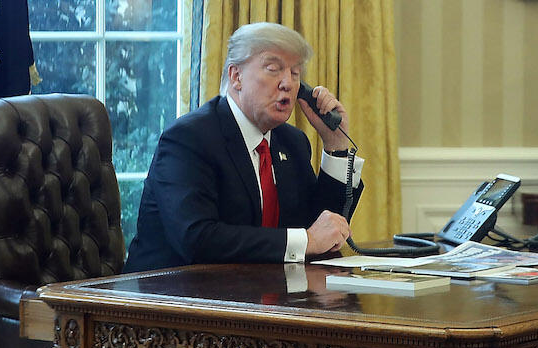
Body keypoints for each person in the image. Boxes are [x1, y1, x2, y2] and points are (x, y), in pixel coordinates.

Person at [123, 22, 364, 273]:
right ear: (236, 76)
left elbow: (322, 233)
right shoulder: (188, 139)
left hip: (256, 296)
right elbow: (197, 239)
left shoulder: (292, 142)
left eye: (295, 74)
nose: (287, 84)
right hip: (166, 299)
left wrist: (336, 145)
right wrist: (308, 240)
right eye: (274, 69)